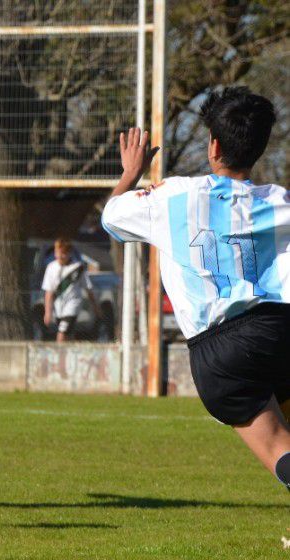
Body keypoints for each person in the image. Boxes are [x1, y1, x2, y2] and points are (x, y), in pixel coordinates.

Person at [101, 87, 290, 493]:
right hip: (281, 330)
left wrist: (130, 174)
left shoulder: (172, 195)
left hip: (224, 348)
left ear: (214, 145)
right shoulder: (279, 201)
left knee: (279, 448)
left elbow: (112, 218)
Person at [41, 238, 103, 342]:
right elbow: (49, 292)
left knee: (61, 333)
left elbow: (88, 288)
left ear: (69, 253)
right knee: (68, 334)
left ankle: (58, 356)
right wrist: (48, 312)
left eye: (63, 253)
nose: (60, 256)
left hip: (73, 304)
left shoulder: (77, 267)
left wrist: (96, 307)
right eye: (57, 253)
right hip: (58, 307)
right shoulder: (51, 267)